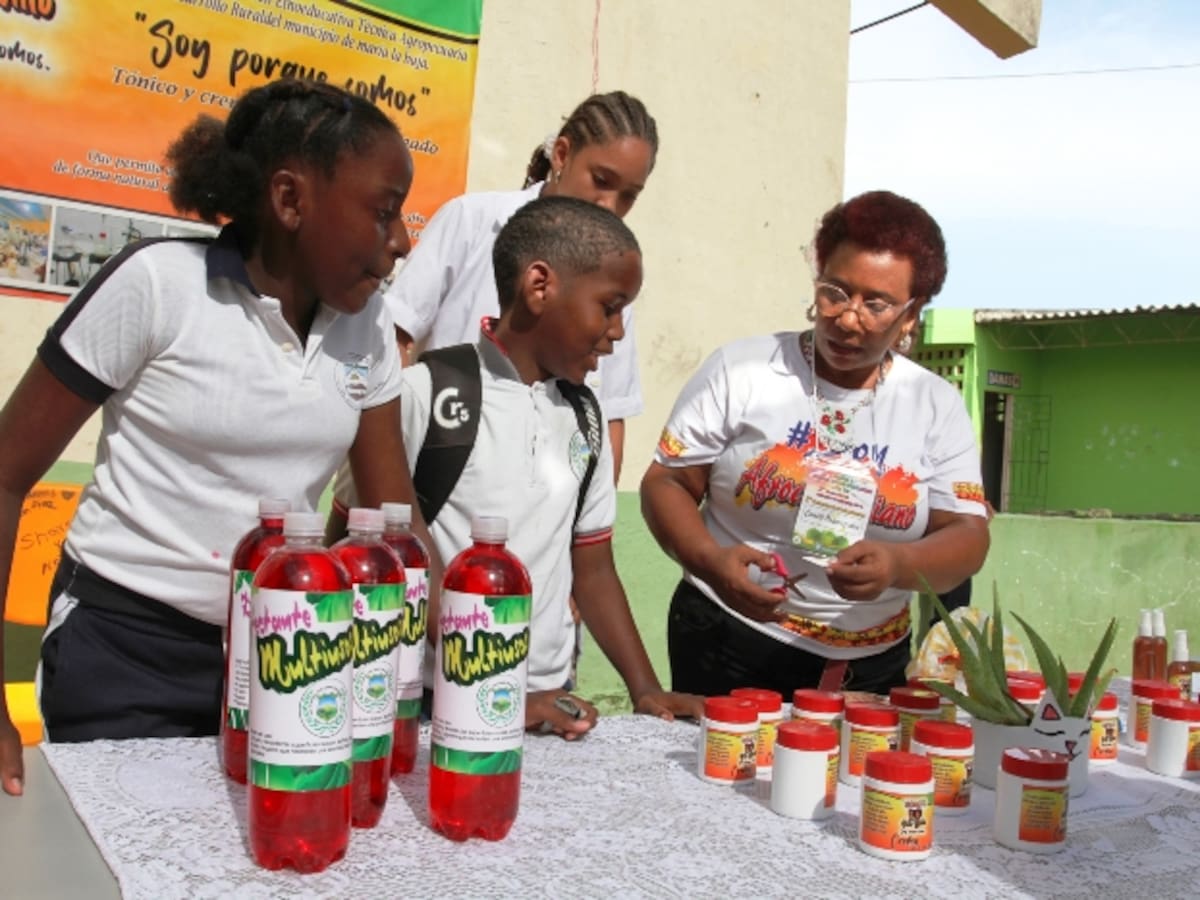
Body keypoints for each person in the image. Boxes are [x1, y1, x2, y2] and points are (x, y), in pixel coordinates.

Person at [0, 78, 428, 796]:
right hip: (125, 653)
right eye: (384, 213)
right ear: (291, 200)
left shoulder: (369, 328)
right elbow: (6, 471)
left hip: (289, 656)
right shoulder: (161, 287)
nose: (401, 242)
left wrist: (468, 668)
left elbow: (394, 526)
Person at [338, 195, 701, 738]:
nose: (619, 330)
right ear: (539, 287)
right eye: (610, 305)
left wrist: (645, 688)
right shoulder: (425, 392)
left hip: (549, 705)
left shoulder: (585, 418)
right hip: (431, 704)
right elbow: (346, 536)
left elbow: (594, 568)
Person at [640, 190, 990, 698]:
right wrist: (710, 561)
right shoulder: (743, 372)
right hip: (729, 644)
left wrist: (898, 566)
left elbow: (967, 534)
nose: (849, 318)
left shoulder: (934, 404)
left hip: (870, 669)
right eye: (836, 292)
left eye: (877, 304)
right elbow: (667, 482)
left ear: (912, 313)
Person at [381, 90, 657, 481]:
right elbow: (395, 334)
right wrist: (393, 453)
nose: (610, 206)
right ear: (562, 155)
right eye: (601, 180)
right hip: (436, 481)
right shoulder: (472, 220)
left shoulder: (616, 278)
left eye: (629, 195)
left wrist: (591, 516)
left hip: (544, 498)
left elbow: (610, 413)